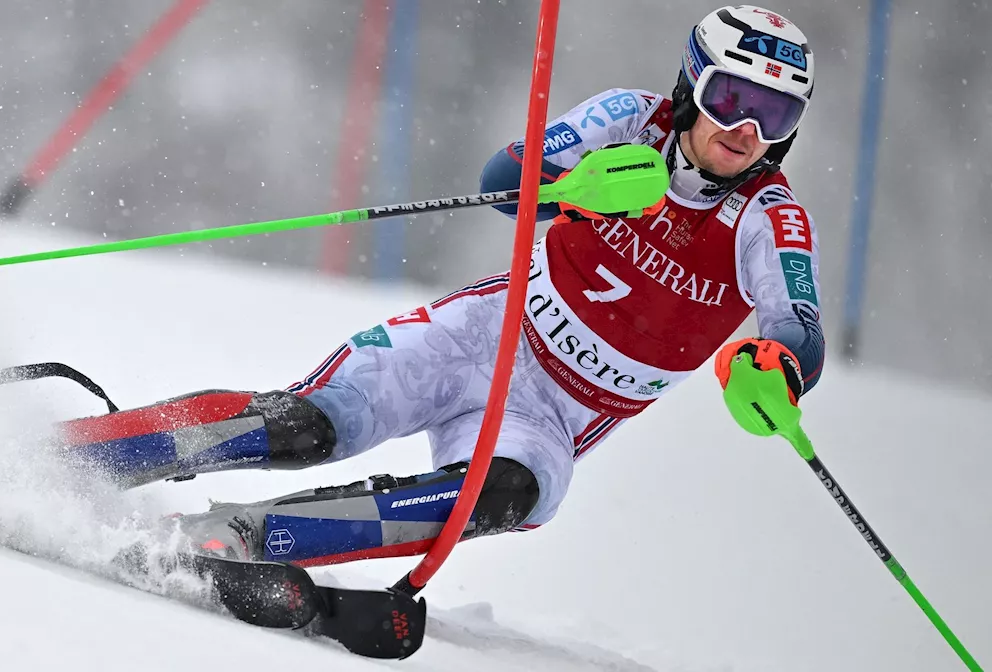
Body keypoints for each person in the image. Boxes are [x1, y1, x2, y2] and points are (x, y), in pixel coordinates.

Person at [72, 5, 825, 567]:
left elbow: (797, 325)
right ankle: (73, 456)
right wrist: (571, 188)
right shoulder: (631, 118)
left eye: (775, 114)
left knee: (500, 498)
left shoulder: (769, 216)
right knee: (308, 425)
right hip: (481, 339)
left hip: (556, 418)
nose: (747, 132)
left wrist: (775, 365)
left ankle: (241, 540)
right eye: (734, 100)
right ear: (695, 85)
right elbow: (504, 179)